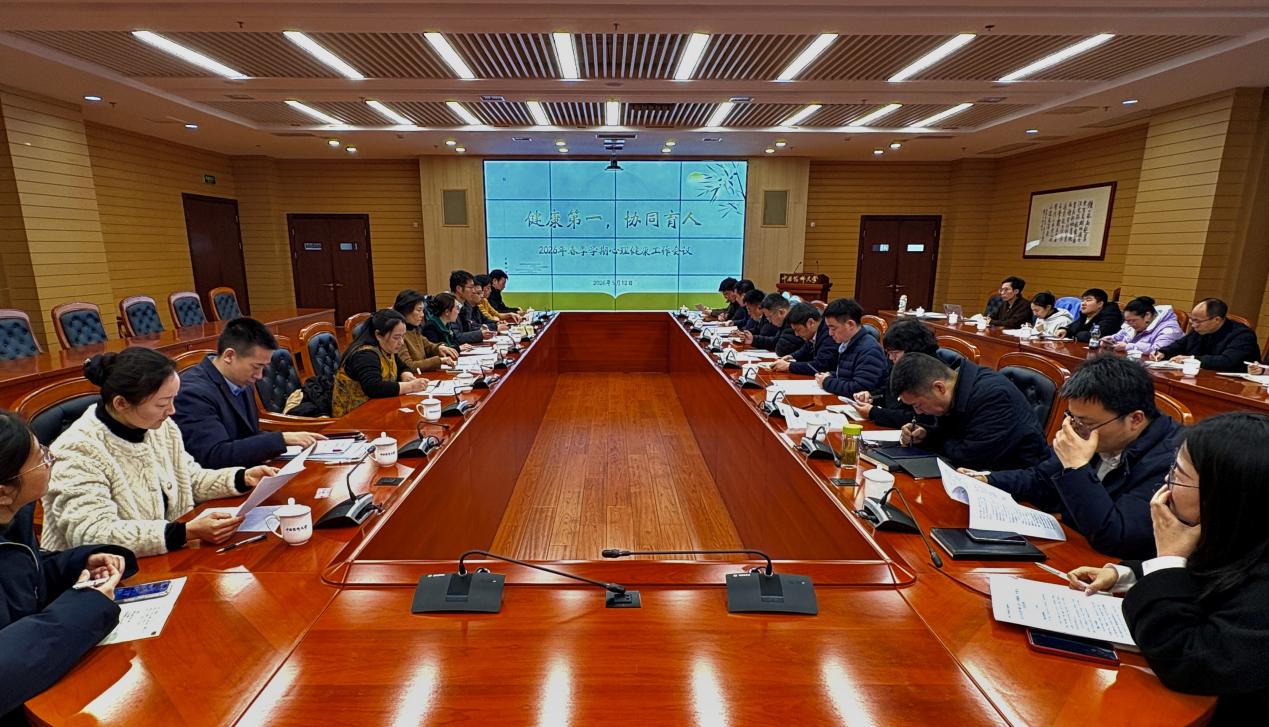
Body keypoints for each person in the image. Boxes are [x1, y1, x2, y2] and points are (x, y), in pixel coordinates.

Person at [1065, 413, 1269, 721]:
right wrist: (1125, 574)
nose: (1166, 484)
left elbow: (1185, 661)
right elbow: (1204, 571)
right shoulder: (1240, 531)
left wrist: (1168, 558)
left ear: (1224, 496)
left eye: (1178, 475)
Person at [42, 348, 278, 556]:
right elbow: (92, 533)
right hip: (100, 573)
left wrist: (242, 477)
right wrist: (183, 532)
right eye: (162, 403)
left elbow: (189, 479)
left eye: (173, 399)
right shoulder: (77, 450)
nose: (172, 411)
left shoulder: (158, 426)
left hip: (167, 556)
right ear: (121, 403)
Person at [0, 410, 140, 721]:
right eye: (41, 458)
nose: (52, 460)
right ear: (3, 492)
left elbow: (18, 580)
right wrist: (86, 606)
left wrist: (79, 563)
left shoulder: (12, 514)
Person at [976, 356, 1183, 559]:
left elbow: (1117, 538)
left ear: (1135, 419)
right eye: (1071, 417)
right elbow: (1040, 479)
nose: (1076, 429)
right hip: (1075, 545)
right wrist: (987, 479)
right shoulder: (1092, 431)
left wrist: (1076, 468)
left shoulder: (1171, 461)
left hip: (1115, 565)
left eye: (1087, 423)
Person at [172, 317, 326, 469]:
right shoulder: (192, 393)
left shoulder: (240, 380)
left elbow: (248, 435)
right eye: (256, 367)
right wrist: (281, 439)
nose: (259, 376)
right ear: (229, 356)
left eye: (264, 367)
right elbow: (214, 455)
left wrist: (286, 439)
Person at [889, 352, 1050, 470]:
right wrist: (925, 435)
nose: (918, 412)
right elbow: (951, 439)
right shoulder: (957, 388)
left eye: (918, 405)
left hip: (1017, 486)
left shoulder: (994, 396)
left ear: (939, 387)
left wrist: (934, 440)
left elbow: (968, 459)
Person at [331, 309, 430, 417]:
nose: (401, 342)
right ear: (378, 335)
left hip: (379, 409)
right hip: (353, 417)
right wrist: (410, 386)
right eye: (396, 337)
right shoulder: (365, 355)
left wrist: (406, 375)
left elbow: (402, 366)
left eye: (403, 336)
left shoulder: (387, 347)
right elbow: (374, 387)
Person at [852, 318, 948, 428]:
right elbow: (893, 396)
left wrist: (874, 413)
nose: (891, 358)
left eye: (895, 353)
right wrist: (872, 397)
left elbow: (921, 417)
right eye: (888, 353)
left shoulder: (930, 372)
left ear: (912, 350)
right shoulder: (903, 365)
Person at [1152, 298, 1260, 372]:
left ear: (1217, 320)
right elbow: (1181, 344)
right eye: (1192, 320)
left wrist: (1191, 359)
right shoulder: (1200, 330)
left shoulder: (1242, 335)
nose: (1193, 325)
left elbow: (1227, 361)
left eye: (1198, 321)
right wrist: (1163, 353)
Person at [813, 298, 887, 398]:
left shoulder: (869, 350)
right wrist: (831, 375)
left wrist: (827, 382)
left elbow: (859, 389)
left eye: (833, 328)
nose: (830, 333)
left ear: (850, 324)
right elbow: (848, 375)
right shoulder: (848, 342)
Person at [394, 289, 458, 372]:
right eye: (418, 310)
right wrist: (439, 361)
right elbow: (408, 365)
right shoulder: (398, 335)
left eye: (422, 310)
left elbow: (428, 346)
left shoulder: (414, 329)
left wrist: (439, 348)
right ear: (405, 310)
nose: (422, 315)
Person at [771, 303, 838, 375]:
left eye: (798, 330)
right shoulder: (815, 333)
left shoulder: (829, 334)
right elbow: (805, 349)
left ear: (811, 323)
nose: (796, 334)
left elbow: (820, 366)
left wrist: (789, 366)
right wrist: (791, 356)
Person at [1106, 296, 1184, 356]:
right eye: (1127, 321)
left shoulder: (1170, 329)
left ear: (1147, 315)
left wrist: (1128, 347)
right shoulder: (1132, 325)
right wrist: (1109, 341)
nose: (1130, 324)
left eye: (1133, 320)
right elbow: (1118, 337)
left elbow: (1158, 351)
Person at [449, 270, 497, 344]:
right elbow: (455, 337)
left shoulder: (466, 306)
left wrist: (482, 328)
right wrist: (480, 334)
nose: (473, 291)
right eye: (471, 287)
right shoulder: (449, 307)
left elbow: (470, 326)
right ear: (459, 289)